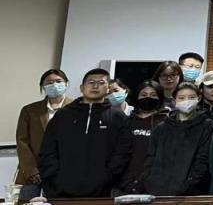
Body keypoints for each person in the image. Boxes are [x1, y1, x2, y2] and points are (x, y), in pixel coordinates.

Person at [38, 68, 127, 198]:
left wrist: (107, 177)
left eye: (101, 83)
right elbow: (47, 150)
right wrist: (54, 178)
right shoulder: (63, 115)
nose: (95, 86)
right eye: (91, 82)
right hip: (61, 190)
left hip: (102, 191)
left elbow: (122, 153)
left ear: (108, 88)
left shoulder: (118, 117)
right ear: (81, 87)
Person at [142, 82, 213, 196]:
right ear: (174, 100)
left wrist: (188, 185)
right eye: (181, 98)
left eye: (191, 97)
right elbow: (150, 157)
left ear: (199, 98)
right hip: (156, 190)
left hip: (190, 192)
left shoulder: (207, 125)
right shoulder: (161, 127)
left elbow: (203, 160)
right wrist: (148, 181)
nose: (187, 101)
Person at [15, 69, 73, 201]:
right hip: (33, 170)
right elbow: (22, 141)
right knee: (26, 201)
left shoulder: (76, 108)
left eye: (58, 81)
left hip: (64, 171)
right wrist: (31, 169)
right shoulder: (30, 110)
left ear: (66, 83)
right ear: (43, 86)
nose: (54, 85)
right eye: (49, 82)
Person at [110, 81, 168, 195]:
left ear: (160, 98)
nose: (148, 98)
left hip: (154, 185)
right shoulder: (126, 121)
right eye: (144, 94)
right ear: (137, 97)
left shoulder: (166, 123)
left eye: (153, 95)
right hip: (123, 185)